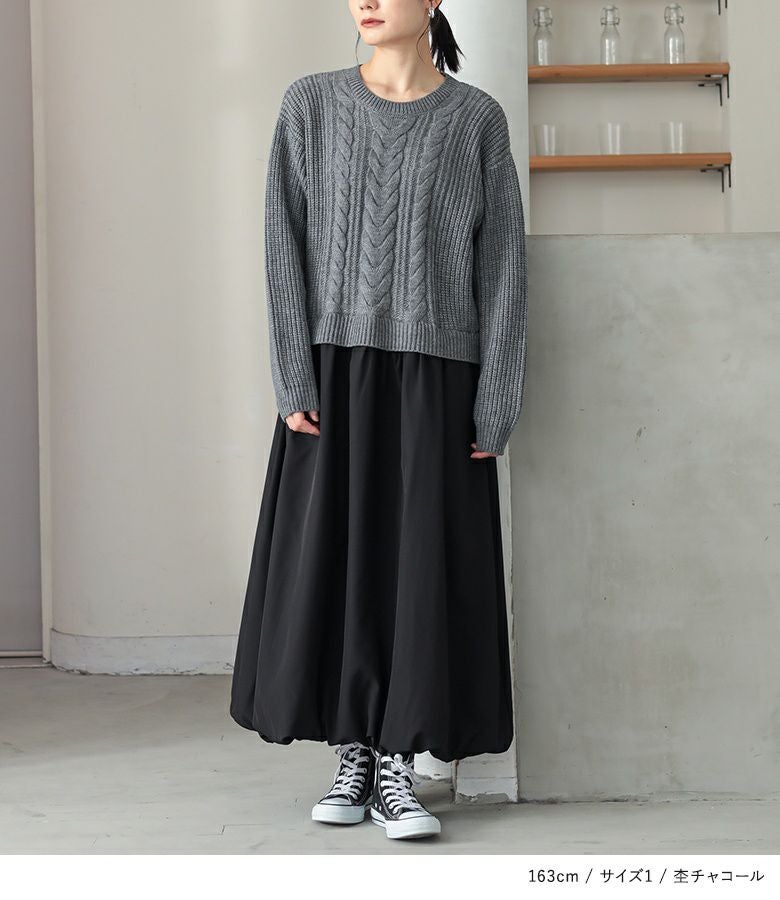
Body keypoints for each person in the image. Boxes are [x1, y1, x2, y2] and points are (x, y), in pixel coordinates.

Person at [230, 0, 528, 841]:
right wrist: (292, 372)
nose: (365, 0)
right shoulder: (310, 105)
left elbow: (504, 263)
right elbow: (281, 245)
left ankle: (401, 761)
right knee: (340, 565)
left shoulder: (474, 120)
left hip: (439, 376)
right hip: (334, 372)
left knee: (417, 570)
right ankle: (353, 753)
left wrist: (497, 398)